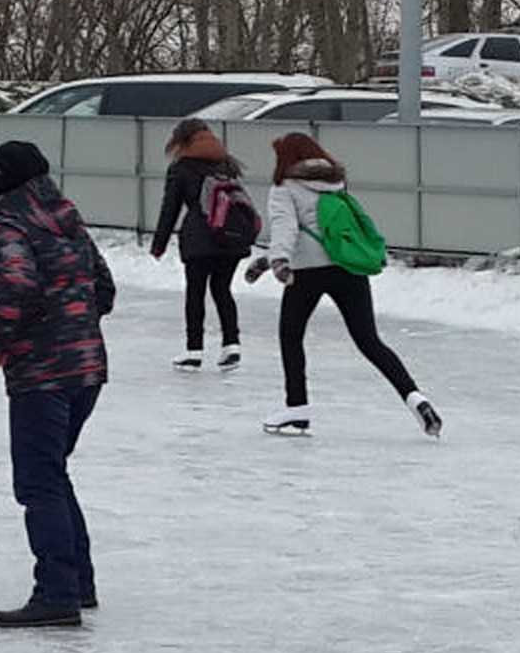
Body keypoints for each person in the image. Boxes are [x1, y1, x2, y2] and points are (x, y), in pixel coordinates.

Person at [0, 141, 116, 628]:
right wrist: (74, 325)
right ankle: (78, 582)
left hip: (42, 374)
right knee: (53, 474)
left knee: (38, 481)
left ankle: (57, 592)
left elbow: (14, 287)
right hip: (87, 368)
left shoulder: (9, 227)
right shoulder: (66, 220)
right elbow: (103, 287)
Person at [249, 132, 441, 438]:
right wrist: (266, 259)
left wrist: (280, 262)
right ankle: (415, 398)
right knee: (369, 340)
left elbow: (287, 228)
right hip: (347, 266)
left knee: (291, 336)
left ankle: (297, 410)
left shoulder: (285, 188)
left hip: (307, 271)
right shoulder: (335, 182)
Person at [150, 118, 249, 371]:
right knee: (222, 289)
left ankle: (194, 351)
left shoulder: (182, 167)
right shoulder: (226, 164)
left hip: (200, 240)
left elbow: (169, 208)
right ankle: (232, 345)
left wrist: (159, 244)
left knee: (196, 293)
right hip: (230, 238)